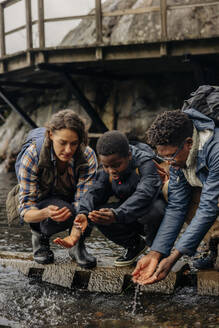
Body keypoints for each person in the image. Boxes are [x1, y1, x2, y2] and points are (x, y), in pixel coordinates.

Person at [132, 109, 219, 285]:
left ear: (189, 143)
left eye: (170, 156)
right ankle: (213, 243)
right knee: (168, 189)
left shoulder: (216, 151)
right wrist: (156, 253)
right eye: (161, 156)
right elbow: (177, 206)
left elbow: (208, 208)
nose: (168, 163)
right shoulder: (179, 159)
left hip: (214, 199)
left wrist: (174, 256)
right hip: (210, 195)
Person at [54, 130, 166, 267]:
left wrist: (116, 214)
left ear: (129, 156)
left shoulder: (146, 163)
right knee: (97, 213)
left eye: (116, 165)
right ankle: (134, 245)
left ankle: (157, 251)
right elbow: (93, 192)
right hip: (126, 214)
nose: (111, 170)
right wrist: (83, 213)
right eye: (106, 166)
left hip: (154, 212)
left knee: (156, 211)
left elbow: (145, 193)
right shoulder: (107, 171)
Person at [6, 109, 98, 268]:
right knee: (57, 210)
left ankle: (78, 247)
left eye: (74, 143)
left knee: (95, 205)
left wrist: (75, 235)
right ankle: (39, 238)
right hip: (42, 200)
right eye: (63, 143)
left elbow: (84, 201)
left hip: (70, 198)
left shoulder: (88, 156)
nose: (68, 150)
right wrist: (45, 213)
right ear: (50, 135)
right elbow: (26, 209)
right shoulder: (32, 155)